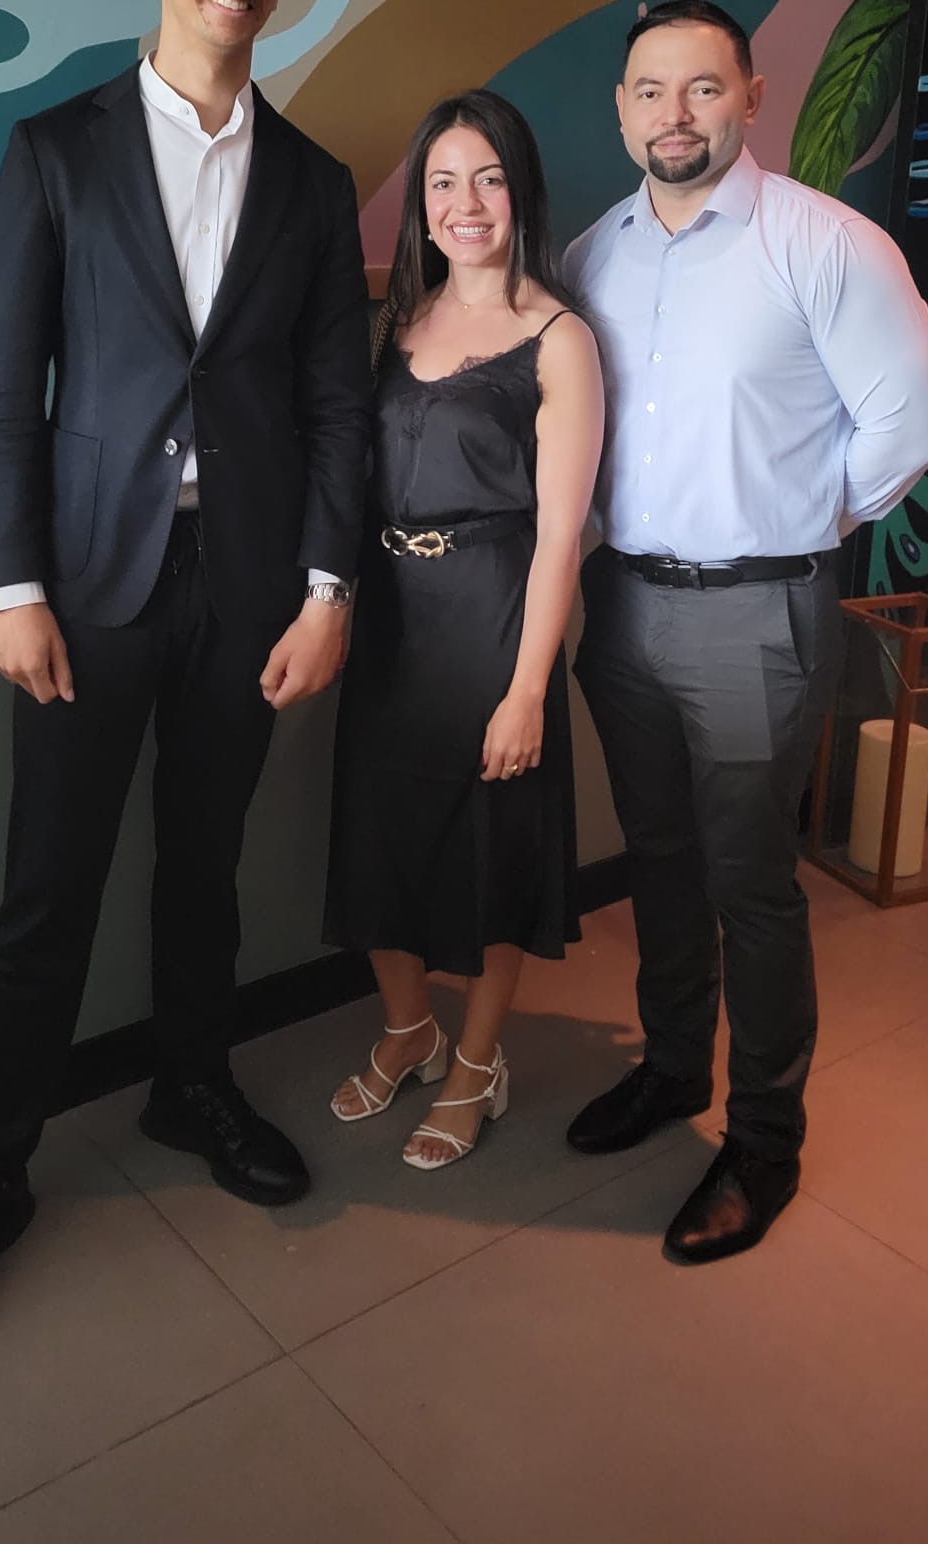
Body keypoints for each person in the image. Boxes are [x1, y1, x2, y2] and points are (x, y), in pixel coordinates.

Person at [0, 0, 371, 1357]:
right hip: (84, 594)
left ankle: (189, 1087)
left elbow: (335, 409)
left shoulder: (312, 180)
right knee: (45, 896)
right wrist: (11, 586)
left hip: (245, 594)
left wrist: (328, 586)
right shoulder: (54, 150)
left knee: (204, 868)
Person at [563, 0, 928, 1263]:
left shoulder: (826, 244)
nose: (675, 114)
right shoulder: (591, 255)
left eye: (702, 89)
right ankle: (675, 1068)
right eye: (649, 91)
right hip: (623, 606)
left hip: (756, 610)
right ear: (620, 107)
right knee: (660, 863)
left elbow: (907, 423)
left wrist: (796, 518)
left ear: (754, 94)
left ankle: (762, 1144)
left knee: (750, 885)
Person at [323, 89, 604, 1167]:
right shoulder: (394, 321)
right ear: (422, 203)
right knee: (376, 844)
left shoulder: (558, 337)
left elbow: (559, 536)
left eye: (487, 177)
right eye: (443, 182)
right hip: (391, 622)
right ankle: (411, 1030)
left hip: (495, 615)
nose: (466, 202)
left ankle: (479, 1063)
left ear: (519, 188)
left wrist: (530, 686)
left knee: (493, 852)